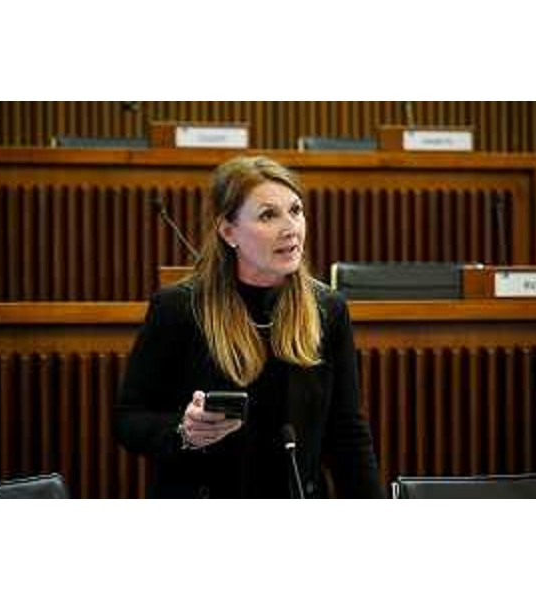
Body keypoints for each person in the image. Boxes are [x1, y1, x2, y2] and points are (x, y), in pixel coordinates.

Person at [113, 155, 384, 498]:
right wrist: (183, 431)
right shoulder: (178, 308)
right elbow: (128, 420)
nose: (291, 228)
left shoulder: (328, 308)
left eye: (296, 210)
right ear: (228, 231)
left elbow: (347, 432)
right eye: (268, 215)